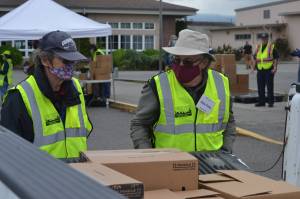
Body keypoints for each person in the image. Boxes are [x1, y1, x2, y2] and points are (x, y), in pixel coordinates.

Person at [130, 29, 236, 153]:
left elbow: (228, 121)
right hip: (169, 165)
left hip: (212, 164)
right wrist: (148, 156)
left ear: (204, 62)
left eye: (187, 62)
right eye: (176, 60)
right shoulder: (158, 85)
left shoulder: (220, 83)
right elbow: (139, 124)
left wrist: (226, 152)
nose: (180, 65)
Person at [1, 31, 93, 162]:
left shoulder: (76, 88)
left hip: (77, 178)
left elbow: (83, 133)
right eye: (65, 60)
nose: (70, 66)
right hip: (39, 180)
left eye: (73, 61)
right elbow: (9, 154)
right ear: (45, 60)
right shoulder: (18, 97)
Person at [252, 33, 279, 107]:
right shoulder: (258, 47)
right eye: (262, 38)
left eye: (265, 38)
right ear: (261, 39)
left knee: (269, 87)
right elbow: (254, 57)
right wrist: (253, 67)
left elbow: (276, 58)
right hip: (260, 69)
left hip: (269, 69)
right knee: (260, 87)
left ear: (267, 39)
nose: (264, 40)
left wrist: (275, 68)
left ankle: (270, 102)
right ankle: (261, 102)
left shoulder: (271, 47)